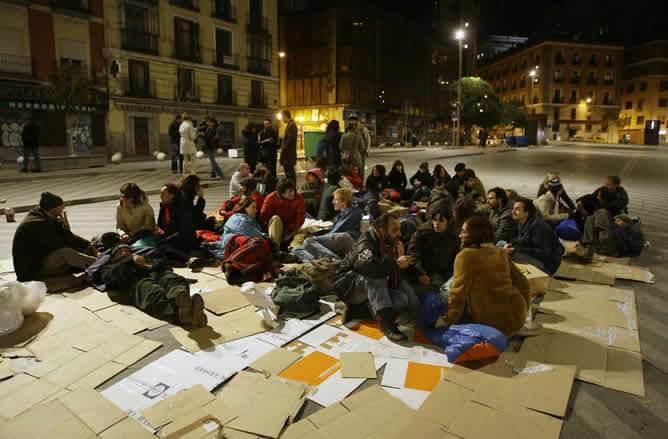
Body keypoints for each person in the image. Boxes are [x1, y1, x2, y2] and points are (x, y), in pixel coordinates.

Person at [433, 216, 530, 337]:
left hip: (492, 323)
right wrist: (524, 310)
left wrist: (448, 319)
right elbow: (523, 284)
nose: (459, 235)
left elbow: (458, 294)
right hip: (517, 317)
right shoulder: (500, 252)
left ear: (474, 234)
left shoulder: (465, 256)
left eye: (463, 231)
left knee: (446, 290)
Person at [333, 213, 418, 341]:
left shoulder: (391, 244)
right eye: (394, 230)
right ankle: (387, 326)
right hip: (348, 285)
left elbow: (396, 274)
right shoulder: (366, 241)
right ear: (382, 230)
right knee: (376, 276)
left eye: (399, 229)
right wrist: (396, 263)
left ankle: (355, 310)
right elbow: (368, 266)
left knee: (401, 300)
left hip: (366, 288)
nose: (399, 234)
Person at [91, 244, 207, 327]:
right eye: (119, 252)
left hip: (156, 273)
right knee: (153, 293)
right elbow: (110, 278)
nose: (124, 253)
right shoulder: (109, 267)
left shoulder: (144, 258)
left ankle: (182, 300)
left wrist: (149, 264)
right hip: (137, 281)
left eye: (127, 250)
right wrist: (129, 260)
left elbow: (163, 263)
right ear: (113, 258)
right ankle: (183, 313)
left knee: (173, 280)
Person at [12, 192, 98, 292]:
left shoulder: (44, 216)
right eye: (61, 207)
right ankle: (100, 264)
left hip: (41, 260)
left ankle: (95, 263)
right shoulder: (38, 222)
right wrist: (65, 229)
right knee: (66, 253)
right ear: (54, 208)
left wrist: (88, 244)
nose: (63, 210)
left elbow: (68, 239)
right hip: (33, 270)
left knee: (81, 251)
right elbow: (60, 244)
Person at [206, 198, 274, 284]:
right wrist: (269, 239)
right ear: (245, 208)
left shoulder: (247, 219)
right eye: (253, 207)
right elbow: (256, 235)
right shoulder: (240, 220)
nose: (256, 210)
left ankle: (237, 271)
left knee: (259, 253)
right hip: (232, 241)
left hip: (240, 242)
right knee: (260, 244)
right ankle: (232, 265)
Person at [293, 188, 362, 262]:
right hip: (337, 241)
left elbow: (336, 230)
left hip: (346, 239)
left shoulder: (353, 212)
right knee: (296, 249)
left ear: (344, 202)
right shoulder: (342, 214)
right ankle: (323, 261)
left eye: (336, 200)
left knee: (308, 242)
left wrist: (316, 239)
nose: (333, 202)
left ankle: (335, 261)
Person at [505, 198, 564, 275]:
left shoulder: (538, 227)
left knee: (511, 254)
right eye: (513, 208)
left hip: (547, 265)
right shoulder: (521, 222)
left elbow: (543, 253)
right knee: (503, 247)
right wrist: (511, 244)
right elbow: (522, 239)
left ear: (527, 212)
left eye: (517, 209)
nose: (513, 212)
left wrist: (515, 249)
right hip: (537, 258)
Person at [407, 204, 459, 289]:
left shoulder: (454, 235)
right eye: (435, 220)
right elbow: (413, 253)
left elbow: (457, 256)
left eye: (441, 221)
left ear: (449, 222)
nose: (436, 224)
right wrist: (420, 273)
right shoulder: (423, 232)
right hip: (425, 271)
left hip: (445, 271)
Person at [260, 178, 306, 247]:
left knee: (302, 235)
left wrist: (289, 230)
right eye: (290, 191)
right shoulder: (271, 198)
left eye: (293, 190)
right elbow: (264, 217)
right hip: (275, 230)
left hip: (291, 230)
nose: (293, 193)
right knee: (275, 219)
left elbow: (300, 218)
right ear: (282, 193)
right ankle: (276, 248)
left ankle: (293, 248)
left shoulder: (299, 198)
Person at [157, 183, 199, 253]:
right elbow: (161, 225)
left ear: (172, 195)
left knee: (162, 247)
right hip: (170, 236)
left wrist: (166, 239)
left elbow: (183, 230)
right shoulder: (164, 207)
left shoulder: (180, 208)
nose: (160, 196)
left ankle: (188, 259)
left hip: (183, 237)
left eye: (163, 193)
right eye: (160, 193)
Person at [578, 188, 617, 263]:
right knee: (590, 220)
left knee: (592, 225)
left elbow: (602, 232)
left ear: (603, 199)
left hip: (601, 239)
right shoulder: (602, 209)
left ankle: (587, 257)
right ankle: (587, 254)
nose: (597, 197)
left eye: (598, 196)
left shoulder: (602, 212)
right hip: (599, 236)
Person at [258, 118, 279, 183]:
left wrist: (273, 141)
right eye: (265, 124)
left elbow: (277, 142)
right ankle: (266, 181)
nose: (266, 125)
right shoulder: (262, 132)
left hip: (272, 153)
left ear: (270, 124)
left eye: (267, 124)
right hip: (264, 154)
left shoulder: (274, 132)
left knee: (272, 169)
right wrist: (266, 141)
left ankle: (273, 181)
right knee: (265, 169)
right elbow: (259, 142)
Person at [280, 111, 298, 184]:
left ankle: (292, 188)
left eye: (282, 117)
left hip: (288, 154)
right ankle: (291, 187)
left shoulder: (292, 125)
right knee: (289, 172)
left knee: (290, 173)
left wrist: (284, 147)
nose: (282, 119)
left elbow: (290, 139)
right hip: (288, 154)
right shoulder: (290, 124)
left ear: (285, 116)